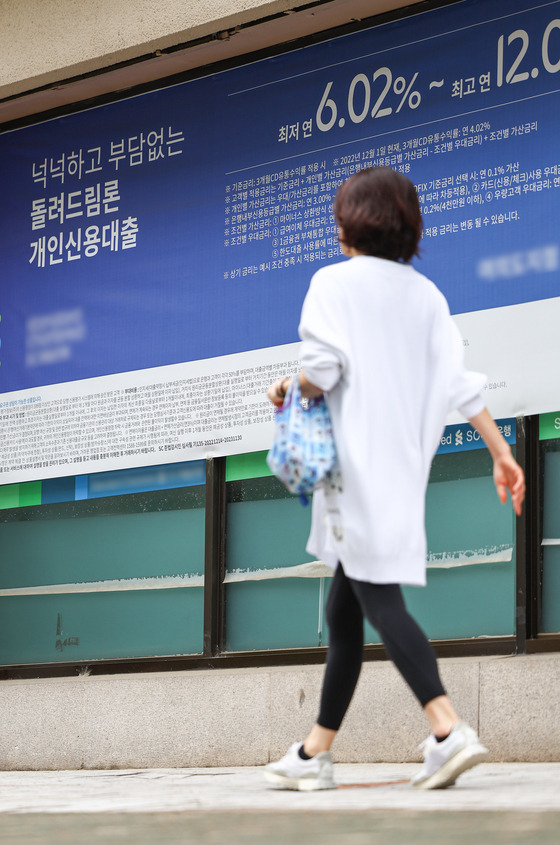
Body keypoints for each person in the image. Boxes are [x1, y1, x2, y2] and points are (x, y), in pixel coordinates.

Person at [264, 166, 525, 792]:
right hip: (402, 474)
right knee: (346, 611)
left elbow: (321, 368)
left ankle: (448, 728)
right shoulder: (427, 295)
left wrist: (285, 385)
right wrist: (502, 453)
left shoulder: (333, 282)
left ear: (352, 221)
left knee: (378, 602)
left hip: (353, 473)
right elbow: (463, 387)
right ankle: (313, 753)